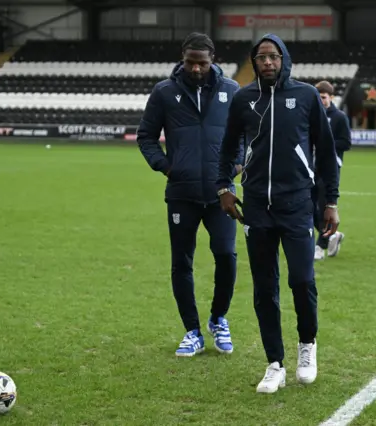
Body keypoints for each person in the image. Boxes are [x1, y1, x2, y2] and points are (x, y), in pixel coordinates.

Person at [216, 33, 340, 393]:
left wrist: (329, 202)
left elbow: (327, 152)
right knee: (264, 288)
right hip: (256, 208)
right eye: (261, 58)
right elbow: (227, 149)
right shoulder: (243, 99)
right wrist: (224, 188)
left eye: (274, 56)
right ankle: (274, 363)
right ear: (254, 62)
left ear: (284, 59)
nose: (268, 63)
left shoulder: (305, 96)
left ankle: (307, 346)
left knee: (302, 280)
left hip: (298, 204)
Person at [136, 32, 243, 357]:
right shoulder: (165, 92)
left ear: (213, 60)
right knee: (181, 262)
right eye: (190, 62)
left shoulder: (231, 90)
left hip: (221, 193)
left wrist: (236, 166)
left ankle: (218, 318)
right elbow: (146, 136)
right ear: (182, 59)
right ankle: (192, 330)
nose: (196, 69)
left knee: (226, 256)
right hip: (181, 193)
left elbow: (245, 135)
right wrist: (168, 168)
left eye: (202, 63)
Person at [312, 80, 351, 260]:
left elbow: (346, 142)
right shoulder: (310, 115)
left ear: (332, 98)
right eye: (318, 98)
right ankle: (332, 235)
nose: (322, 101)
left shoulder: (339, 117)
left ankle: (320, 246)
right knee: (310, 207)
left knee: (323, 205)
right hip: (311, 166)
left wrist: (327, 146)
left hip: (330, 167)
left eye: (324, 98)